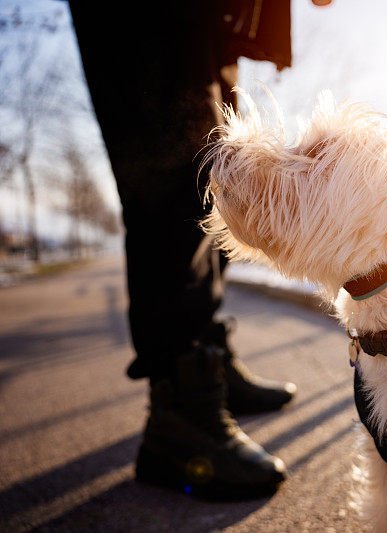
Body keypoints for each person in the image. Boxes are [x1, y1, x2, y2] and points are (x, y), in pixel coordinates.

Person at [69, 0, 295, 499]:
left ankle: (207, 358)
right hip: (151, 18)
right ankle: (180, 412)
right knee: (177, 176)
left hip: (206, 21)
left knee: (217, 178)